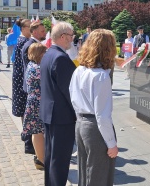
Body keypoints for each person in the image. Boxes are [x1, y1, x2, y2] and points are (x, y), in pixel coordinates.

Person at [70, 29, 118, 186]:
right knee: (98, 176)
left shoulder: (79, 70)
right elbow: (102, 116)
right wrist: (111, 143)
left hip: (81, 124)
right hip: (95, 128)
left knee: (85, 173)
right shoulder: (101, 76)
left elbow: (73, 98)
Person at [40, 21, 77, 186]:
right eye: (71, 36)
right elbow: (70, 91)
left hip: (50, 113)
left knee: (51, 157)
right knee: (60, 160)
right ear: (63, 37)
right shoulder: (61, 58)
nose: (72, 39)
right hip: (62, 117)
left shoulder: (49, 53)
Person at [22, 43, 47, 171]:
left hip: (33, 102)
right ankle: (41, 160)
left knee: (36, 131)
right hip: (37, 103)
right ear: (39, 54)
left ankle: (39, 157)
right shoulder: (37, 68)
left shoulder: (31, 65)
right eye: (44, 52)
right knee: (37, 132)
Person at [11, 18, 34, 154]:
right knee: (26, 109)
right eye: (29, 27)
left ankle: (25, 134)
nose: (31, 30)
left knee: (23, 109)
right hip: (22, 79)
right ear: (23, 28)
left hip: (19, 78)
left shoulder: (22, 40)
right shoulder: (24, 42)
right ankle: (27, 138)